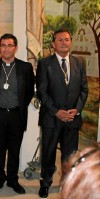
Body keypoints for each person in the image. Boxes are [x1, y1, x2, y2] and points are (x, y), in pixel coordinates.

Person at [36, 28, 88, 198]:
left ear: (70, 42)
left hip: (72, 119)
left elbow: (84, 90)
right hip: (52, 118)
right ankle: (46, 183)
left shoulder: (80, 62)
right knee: (49, 153)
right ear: (54, 44)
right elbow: (42, 93)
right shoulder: (45, 64)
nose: (64, 42)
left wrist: (77, 110)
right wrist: (56, 111)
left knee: (70, 156)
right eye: (60, 40)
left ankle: (68, 184)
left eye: (67, 39)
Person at [0, 33, 34, 196]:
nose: (6, 48)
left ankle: (13, 180)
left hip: (16, 115)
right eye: (3, 45)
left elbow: (28, 92)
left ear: (15, 47)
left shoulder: (25, 67)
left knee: (15, 150)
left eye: (9, 45)